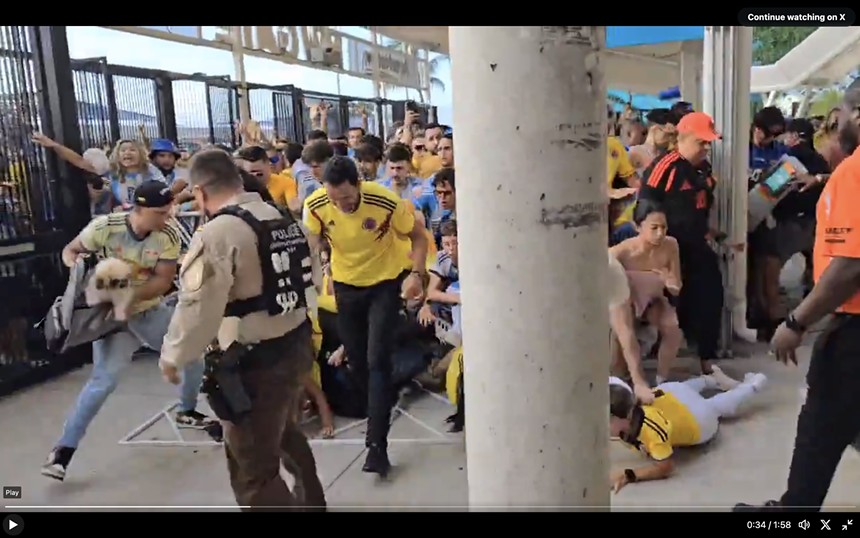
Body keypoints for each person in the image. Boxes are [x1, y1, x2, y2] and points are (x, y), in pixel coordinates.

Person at [158, 150, 326, 511]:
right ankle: (312, 503)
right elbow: (311, 276)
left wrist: (174, 356)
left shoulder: (219, 232)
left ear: (200, 193)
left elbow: (198, 307)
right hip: (295, 345)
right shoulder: (282, 218)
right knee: (285, 433)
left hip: (253, 364)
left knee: (253, 471)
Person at [735, 82, 860, 512]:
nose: (835, 124)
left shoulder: (856, 171)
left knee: (821, 420)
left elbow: (851, 266)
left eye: (837, 115)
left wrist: (795, 322)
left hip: (854, 325)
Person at [42, 181, 211, 482]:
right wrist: (77, 267)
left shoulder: (167, 235)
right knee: (102, 382)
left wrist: (126, 296)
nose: (168, 216)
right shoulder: (105, 227)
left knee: (193, 355)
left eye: (169, 209)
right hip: (111, 322)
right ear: (139, 209)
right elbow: (71, 251)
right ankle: (62, 452)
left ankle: (187, 410)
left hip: (148, 311)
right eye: (160, 212)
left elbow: (162, 281)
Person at [303, 156, 428, 476]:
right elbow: (312, 240)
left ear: (358, 186)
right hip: (346, 285)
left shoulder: (383, 200)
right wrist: (316, 262)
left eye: (346, 197)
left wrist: (416, 274)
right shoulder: (316, 204)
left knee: (376, 361)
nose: (341, 205)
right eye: (334, 199)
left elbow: (417, 236)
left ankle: (377, 447)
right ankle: (392, 384)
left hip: (386, 283)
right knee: (359, 362)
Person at [639, 112, 723, 374]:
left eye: (709, 143)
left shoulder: (704, 169)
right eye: (702, 142)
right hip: (669, 249)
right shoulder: (665, 166)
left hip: (696, 245)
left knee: (711, 297)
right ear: (683, 139)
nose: (706, 148)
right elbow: (644, 206)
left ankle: (707, 361)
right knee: (673, 309)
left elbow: (701, 205)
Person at [608, 369, 767, 493]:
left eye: (607, 421)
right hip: (672, 394)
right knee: (673, 387)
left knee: (714, 406)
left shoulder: (650, 430)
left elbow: (666, 466)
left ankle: (753, 385)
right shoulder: (630, 405)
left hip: (696, 420)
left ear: (624, 418)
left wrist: (630, 475)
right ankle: (708, 380)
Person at [609, 200, 683, 388]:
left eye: (663, 227)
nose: (660, 233)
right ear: (638, 226)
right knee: (622, 340)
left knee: (673, 329)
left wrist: (669, 281)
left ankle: (661, 381)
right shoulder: (623, 251)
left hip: (654, 300)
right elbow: (605, 266)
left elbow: (676, 286)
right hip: (628, 300)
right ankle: (624, 384)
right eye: (654, 228)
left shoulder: (671, 245)